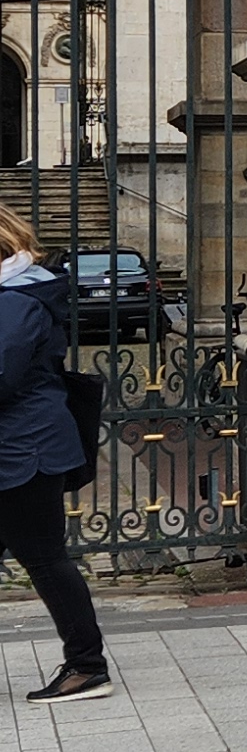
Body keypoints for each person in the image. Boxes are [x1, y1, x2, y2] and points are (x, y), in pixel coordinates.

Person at [0, 207, 109, 702]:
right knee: (44, 557)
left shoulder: (17, 300)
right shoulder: (17, 293)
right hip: (20, 445)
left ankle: (87, 666)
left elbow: (3, 375)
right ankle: (86, 663)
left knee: (45, 559)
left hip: (25, 450)